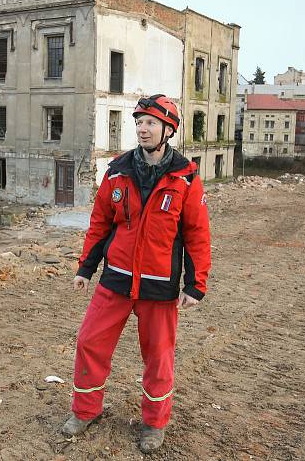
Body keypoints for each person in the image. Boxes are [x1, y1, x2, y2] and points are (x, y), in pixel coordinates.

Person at [62, 94, 211, 453]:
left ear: (167, 130)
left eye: (150, 123)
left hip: (159, 287)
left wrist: (195, 283)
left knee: (158, 357)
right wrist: (86, 268)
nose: (142, 129)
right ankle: (85, 411)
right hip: (114, 280)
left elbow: (197, 234)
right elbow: (99, 224)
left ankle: (154, 423)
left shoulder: (186, 179)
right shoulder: (117, 171)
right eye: (139, 122)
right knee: (89, 342)